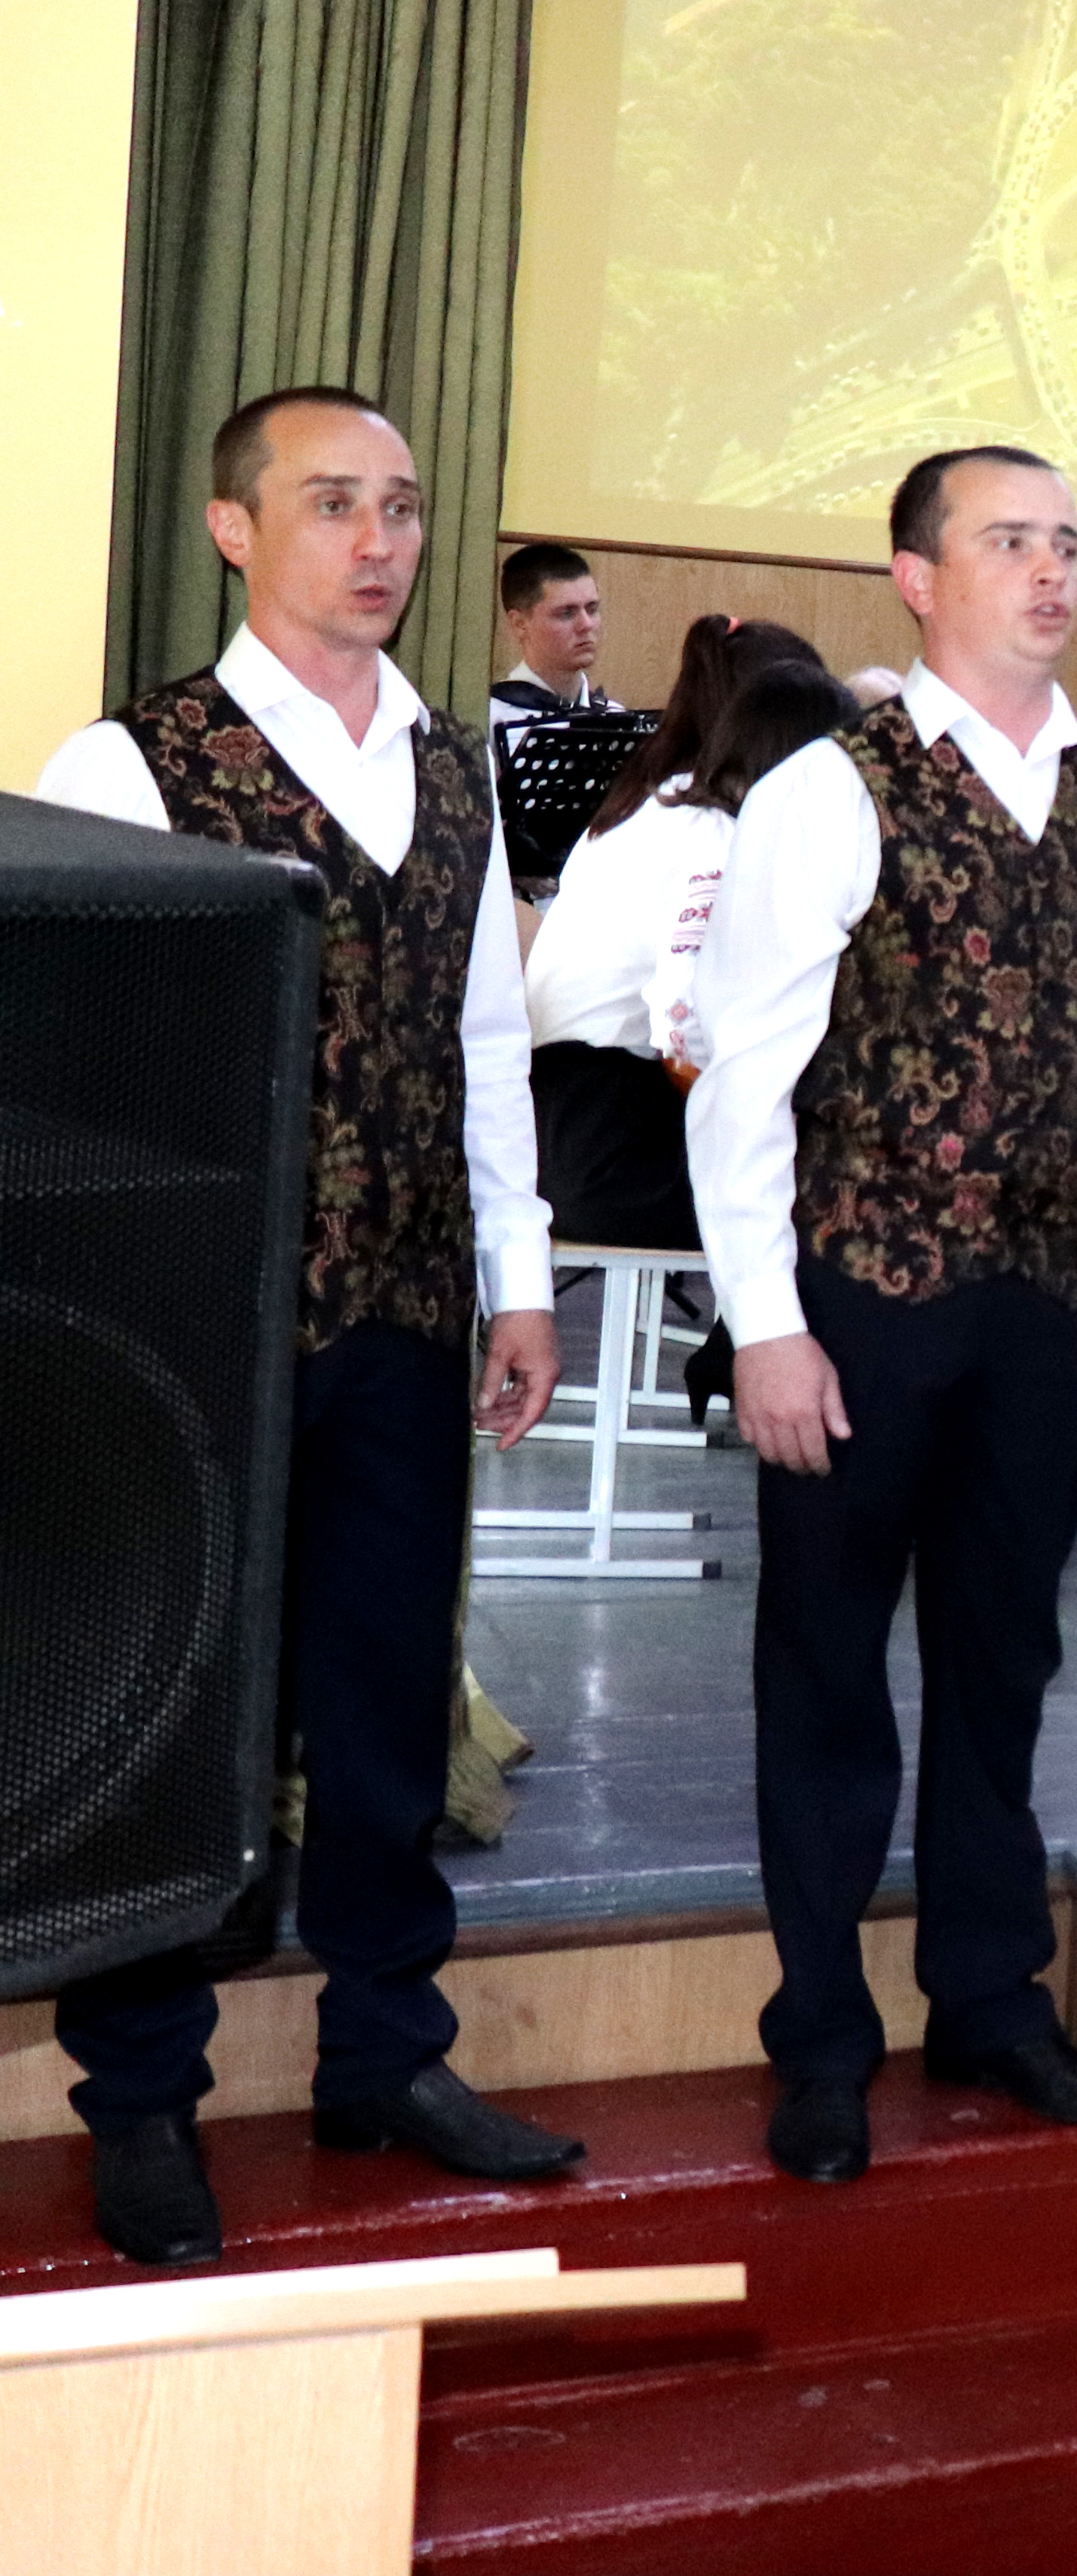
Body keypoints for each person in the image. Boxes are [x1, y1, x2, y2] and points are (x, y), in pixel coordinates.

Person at [24, 385, 573, 2262]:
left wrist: (519, 1277)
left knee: (384, 1698)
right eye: (333, 501)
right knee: (176, 1700)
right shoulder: (131, 759)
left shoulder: (456, 762)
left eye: (402, 506)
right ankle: (142, 2100)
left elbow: (484, 1042)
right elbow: (70, 1066)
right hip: (199, 1332)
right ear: (234, 528)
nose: (379, 538)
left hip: (407, 1311)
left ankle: (386, 2053)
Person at [688, 443, 1077, 2184]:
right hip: (863, 1297)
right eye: (1008, 542)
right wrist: (764, 1318)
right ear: (919, 578)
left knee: (1005, 1659)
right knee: (827, 1662)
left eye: (1066, 542)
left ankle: (990, 1997)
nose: (1050, 572)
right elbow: (744, 1081)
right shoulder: (830, 790)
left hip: (1052, 1302)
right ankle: (822, 2034)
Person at [525, 622, 843, 1251]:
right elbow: (685, 1018)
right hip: (611, 1146)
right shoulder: (710, 825)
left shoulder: (645, 801)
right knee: (852, 1206)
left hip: (550, 1124)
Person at [487, 539, 609, 717]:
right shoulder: (488, 717)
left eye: (592, 609)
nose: (587, 624)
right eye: (566, 613)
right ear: (519, 624)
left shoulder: (616, 717)